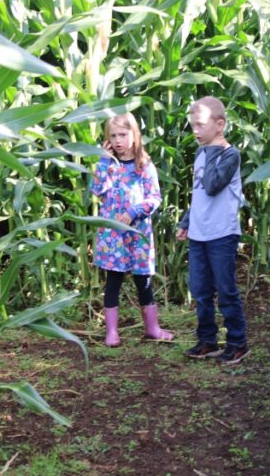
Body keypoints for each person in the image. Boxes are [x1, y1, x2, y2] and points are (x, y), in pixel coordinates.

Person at [177, 96, 250, 365]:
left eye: (199, 125)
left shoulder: (230, 155)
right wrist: (186, 221)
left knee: (225, 289)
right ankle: (207, 340)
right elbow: (198, 194)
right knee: (200, 290)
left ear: (219, 125)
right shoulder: (201, 152)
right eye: (192, 125)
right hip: (199, 233)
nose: (194, 131)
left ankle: (237, 343)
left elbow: (211, 185)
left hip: (221, 234)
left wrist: (211, 151)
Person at [91, 112, 174, 347]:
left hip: (138, 235)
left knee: (143, 280)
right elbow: (97, 189)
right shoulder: (108, 165)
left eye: (123, 135)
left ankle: (152, 328)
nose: (118, 140)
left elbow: (154, 198)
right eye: (113, 135)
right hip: (113, 235)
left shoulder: (144, 165)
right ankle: (112, 332)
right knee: (113, 280)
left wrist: (133, 212)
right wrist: (104, 161)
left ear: (134, 136)